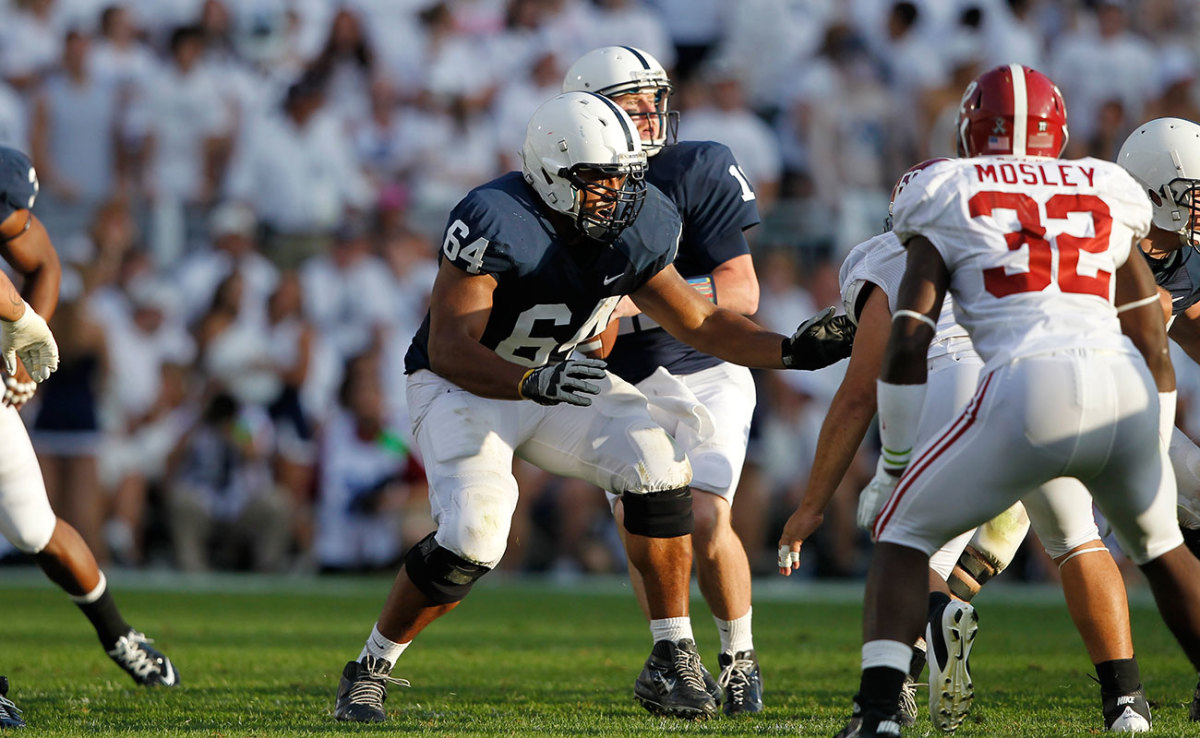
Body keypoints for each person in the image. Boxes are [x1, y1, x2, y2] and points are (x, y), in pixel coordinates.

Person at [331, 91, 854, 724]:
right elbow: (448, 347)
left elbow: (699, 319)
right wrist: (531, 382)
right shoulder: (495, 218)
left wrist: (790, 350)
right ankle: (372, 665)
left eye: (626, 178)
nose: (621, 195)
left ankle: (672, 653)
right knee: (474, 537)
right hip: (466, 386)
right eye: (602, 182)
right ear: (553, 176)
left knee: (659, 467)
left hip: (561, 380)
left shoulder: (636, 221)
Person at [786, 64, 1200, 738]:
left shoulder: (945, 188)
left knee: (902, 533)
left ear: (969, 131)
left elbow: (911, 335)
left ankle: (878, 714)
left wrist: (893, 463)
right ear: (1058, 133)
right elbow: (1150, 328)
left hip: (1023, 388)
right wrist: (1151, 444)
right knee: (1147, 546)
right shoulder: (1105, 186)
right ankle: (1126, 705)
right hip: (1120, 387)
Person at [562, 45, 763, 715]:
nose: (650, 112)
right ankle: (677, 659)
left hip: (706, 368)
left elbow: (742, 291)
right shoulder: (566, 183)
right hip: (623, 383)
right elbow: (582, 324)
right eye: (631, 100)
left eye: (654, 98)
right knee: (649, 527)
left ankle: (739, 657)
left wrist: (639, 296)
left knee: (705, 516)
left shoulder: (696, 165)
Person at [0, 147, 178, 723]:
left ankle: (118, 635)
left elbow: (43, 263)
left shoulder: (13, 215)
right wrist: (25, 323)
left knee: (36, 529)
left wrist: (25, 358)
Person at [1117, 116, 1200, 721]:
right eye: (1193, 191)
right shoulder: (1103, 235)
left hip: (1128, 413)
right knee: (994, 537)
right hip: (1065, 397)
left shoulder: (1184, 256)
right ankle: (903, 664)